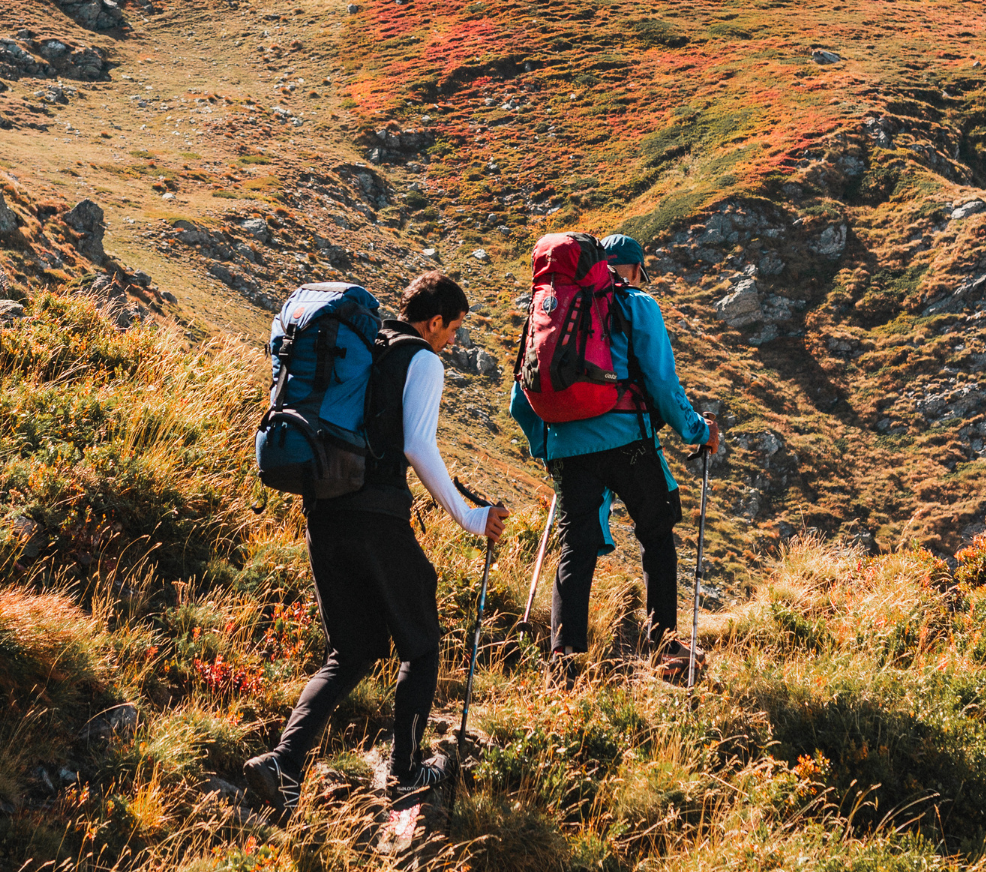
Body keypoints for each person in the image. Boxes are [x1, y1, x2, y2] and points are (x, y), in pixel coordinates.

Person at [245, 271, 508, 817]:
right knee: (421, 641)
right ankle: (407, 773)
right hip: (376, 514)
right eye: (453, 328)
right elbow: (417, 445)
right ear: (434, 321)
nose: (453, 340)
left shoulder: (366, 347)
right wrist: (470, 516)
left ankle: (282, 765)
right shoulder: (422, 359)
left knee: (354, 650)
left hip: (324, 509)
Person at [509, 233, 718, 678]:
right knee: (657, 532)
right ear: (634, 268)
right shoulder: (636, 304)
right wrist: (698, 431)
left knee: (576, 549)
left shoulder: (545, 309)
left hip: (568, 447)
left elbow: (519, 398)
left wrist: (549, 449)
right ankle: (664, 647)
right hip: (628, 438)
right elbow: (662, 385)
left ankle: (563, 658)